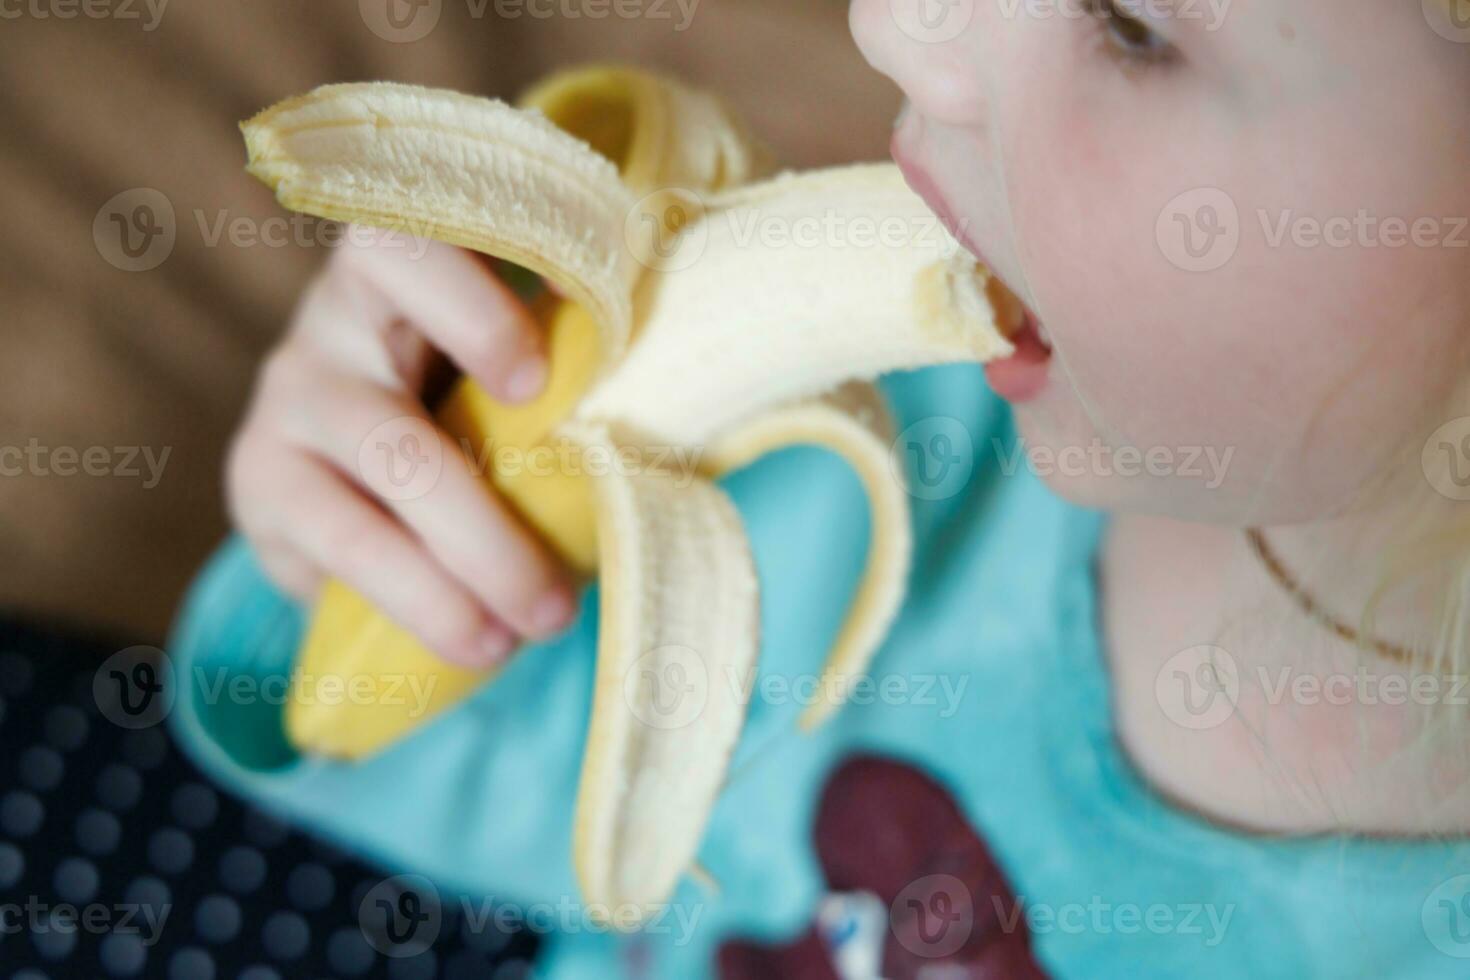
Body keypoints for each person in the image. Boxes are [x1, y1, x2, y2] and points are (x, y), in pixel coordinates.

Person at [171, 1, 1470, 976]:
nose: (895, 27)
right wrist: (391, 488)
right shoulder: (883, 454)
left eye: (1127, 21)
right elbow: (456, 775)